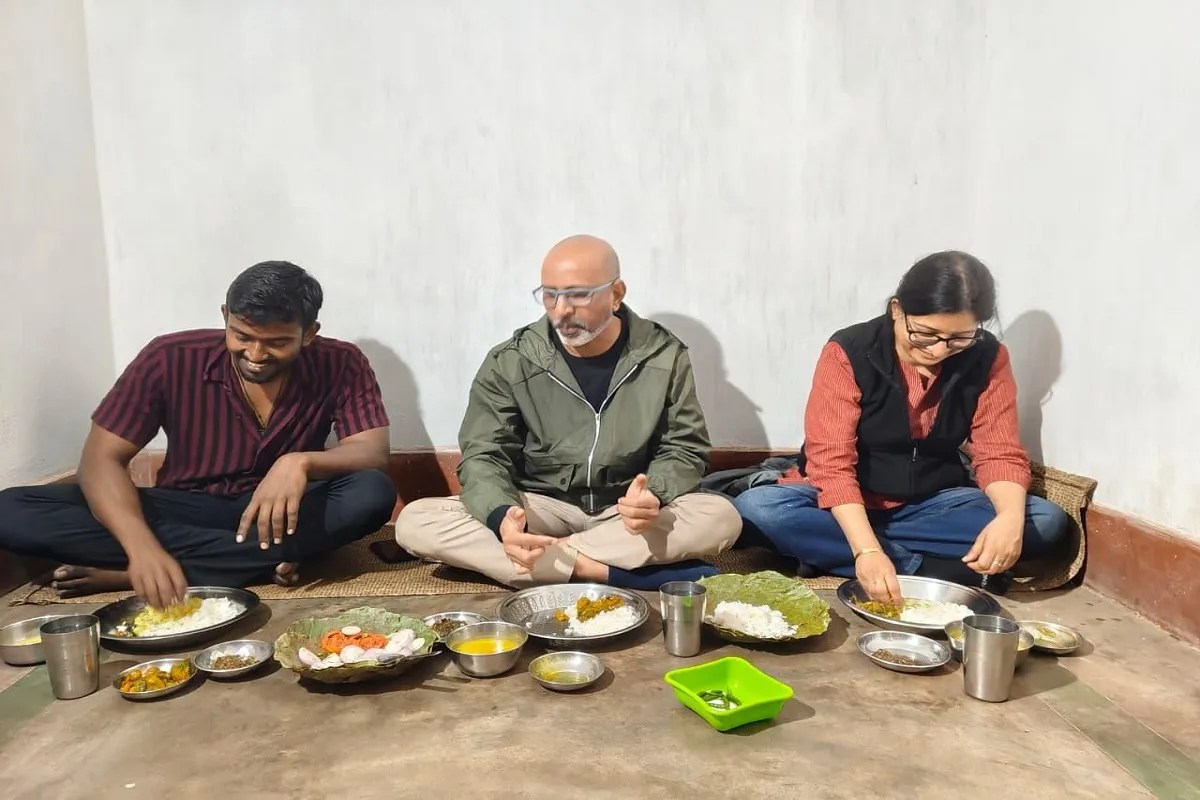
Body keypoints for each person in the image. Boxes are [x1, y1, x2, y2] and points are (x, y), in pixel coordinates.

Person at [0, 261, 397, 608]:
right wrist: (142, 549)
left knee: (371, 492)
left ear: (309, 333)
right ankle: (242, 566)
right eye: (242, 336)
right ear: (225, 316)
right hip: (184, 507)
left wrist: (299, 462)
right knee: (11, 511)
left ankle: (149, 574)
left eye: (277, 343)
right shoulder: (168, 358)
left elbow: (372, 451)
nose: (256, 355)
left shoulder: (341, 362)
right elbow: (100, 460)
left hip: (279, 514)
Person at [394, 234, 741, 589]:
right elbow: (484, 454)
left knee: (721, 517)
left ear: (616, 293)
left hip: (624, 512)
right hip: (539, 507)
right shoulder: (511, 360)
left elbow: (684, 447)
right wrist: (503, 520)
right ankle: (605, 571)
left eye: (578, 295)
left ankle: (543, 562)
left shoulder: (664, 356)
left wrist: (654, 493)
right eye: (550, 295)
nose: (561, 311)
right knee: (416, 522)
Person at [733, 251, 1069, 600]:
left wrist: (1009, 520)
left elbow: (998, 452)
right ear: (897, 309)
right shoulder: (849, 352)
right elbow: (831, 465)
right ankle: (925, 570)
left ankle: (834, 550)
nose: (938, 351)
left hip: (929, 505)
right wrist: (867, 550)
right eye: (925, 334)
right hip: (841, 502)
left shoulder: (988, 358)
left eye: (959, 339)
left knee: (1045, 522)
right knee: (760, 510)